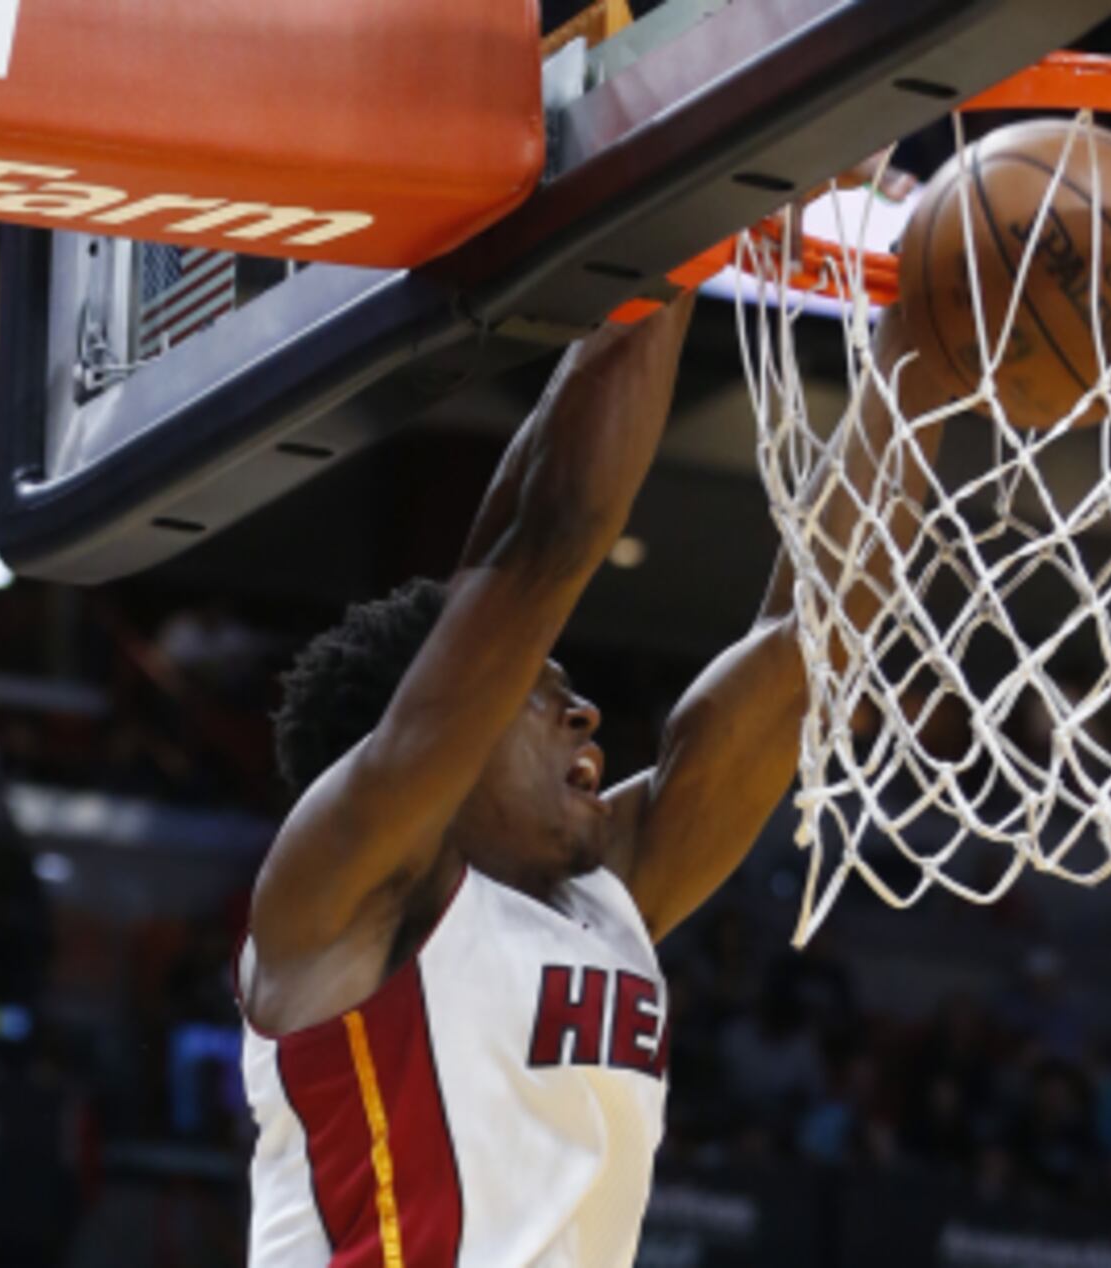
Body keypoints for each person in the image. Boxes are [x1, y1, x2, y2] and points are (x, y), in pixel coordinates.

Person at [238, 168, 940, 1267]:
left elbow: (810, 644)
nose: (585, 714)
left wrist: (927, 352)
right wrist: (716, 173)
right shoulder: (335, 892)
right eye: (544, 693)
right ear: (440, 729)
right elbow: (546, 539)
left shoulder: (600, 898)